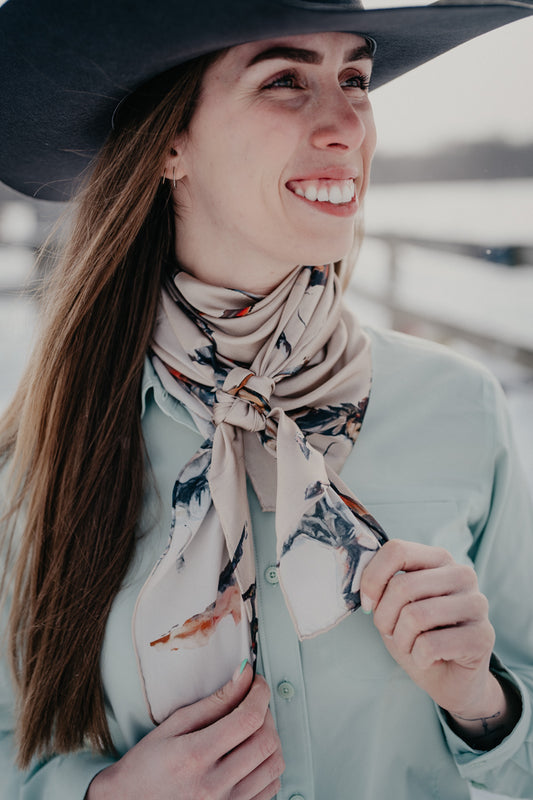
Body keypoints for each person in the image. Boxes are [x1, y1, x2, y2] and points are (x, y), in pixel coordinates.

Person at [0, 1, 532, 798]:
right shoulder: (40, 455)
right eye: (285, 80)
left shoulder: (457, 408)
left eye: (354, 77)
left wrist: (485, 706)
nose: (347, 124)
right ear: (170, 143)